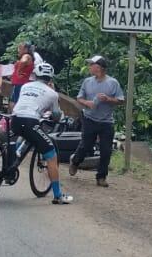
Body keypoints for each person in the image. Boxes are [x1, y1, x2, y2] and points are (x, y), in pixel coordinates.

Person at [11, 61, 73, 204]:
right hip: (30, 122)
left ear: (35, 75)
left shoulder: (26, 86)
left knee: (21, 136)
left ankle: (12, 162)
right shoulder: (52, 93)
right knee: (51, 155)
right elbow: (57, 115)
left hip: (15, 118)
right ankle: (58, 195)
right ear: (50, 78)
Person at [70, 55, 125, 188]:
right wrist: (87, 102)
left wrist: (108, 99)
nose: (89, 67)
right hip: (89, 118)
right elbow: (79, 98)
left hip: (107, 121)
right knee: (86, 145)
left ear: (99, 67)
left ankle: (101, 177)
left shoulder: (113, 83)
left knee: (106, 150)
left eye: (91, 65)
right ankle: (76, 161)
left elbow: (121, 100)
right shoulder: (87, 82)